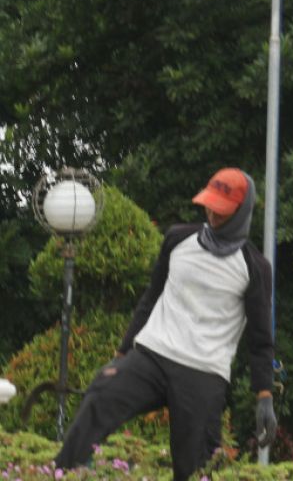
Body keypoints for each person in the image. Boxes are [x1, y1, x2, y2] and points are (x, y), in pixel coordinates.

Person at [55, 168, 277, 480]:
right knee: (101, 392)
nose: (212, 213)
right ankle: (57, 474)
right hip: (153, 355)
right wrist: (120, 356)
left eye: (222, 210)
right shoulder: (179, 239)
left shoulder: (254, 268)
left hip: (204, 372)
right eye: (210, 205)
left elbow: (260, 340)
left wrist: (264, 395)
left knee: (196, 468)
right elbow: (150, 298)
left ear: (242, 212)